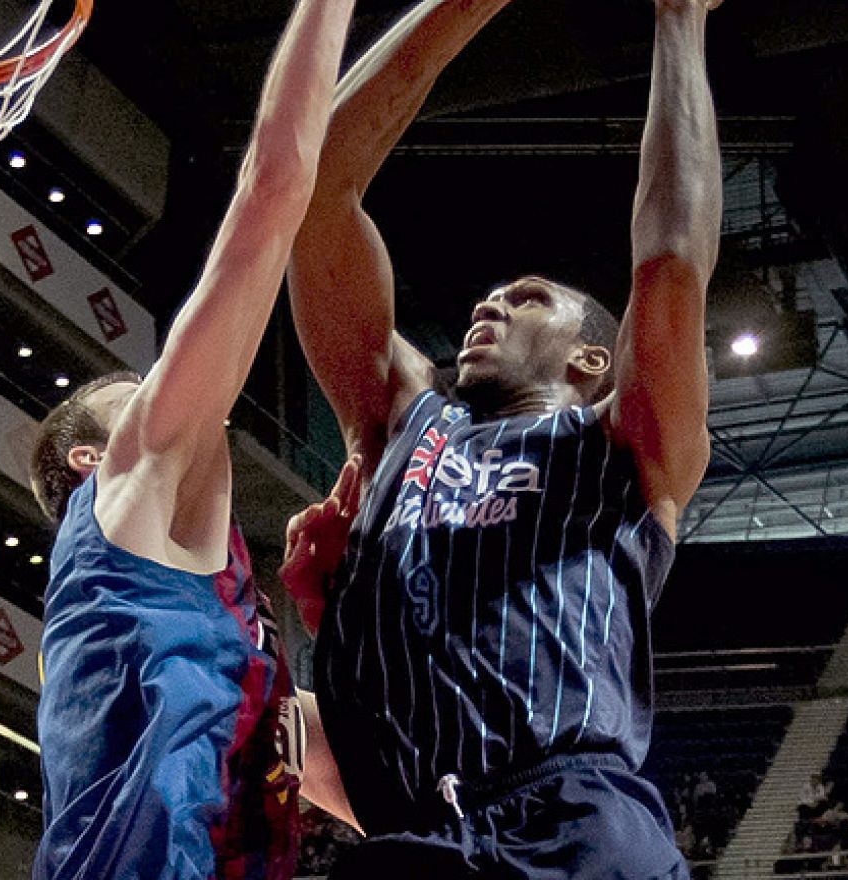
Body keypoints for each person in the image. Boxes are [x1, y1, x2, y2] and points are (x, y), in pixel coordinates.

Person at [286, 0, 726, 874]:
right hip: (411, 833)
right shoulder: (399, 421)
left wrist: (681, 19)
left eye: (527, 299)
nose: (490, 304)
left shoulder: (624, 441)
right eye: (491, 297)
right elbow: (313, 193)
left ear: (594, 358)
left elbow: (671, 261)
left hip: (575, 820)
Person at [26, 2, 358, 877]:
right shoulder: (124, 496)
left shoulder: (221, 634)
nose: (162, 394)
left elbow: (378, 783)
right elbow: (274, 189)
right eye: (134, 399)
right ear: (92, 461)